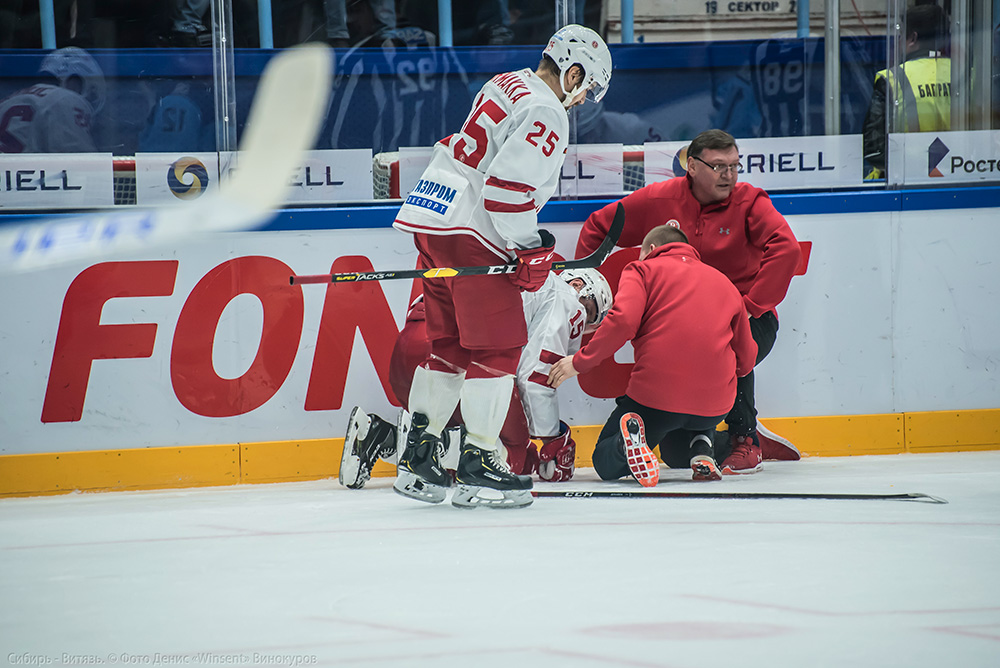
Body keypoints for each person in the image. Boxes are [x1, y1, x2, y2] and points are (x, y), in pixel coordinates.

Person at [389, 24, 612, 509]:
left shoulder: (507, 82)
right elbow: (505, 193)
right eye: (586, 86)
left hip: (434, 219)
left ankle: (419, 458)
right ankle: (479, 464)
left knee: (447, 346)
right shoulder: (548, 110)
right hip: (473, 233)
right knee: (501, 348)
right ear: (573, 72)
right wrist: (533, 248)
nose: (582, 99)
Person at [575, 129, 801, 475]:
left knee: (728, 346)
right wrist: (589, 294)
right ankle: (702, 443)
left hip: (743, 318)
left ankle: (746, 439)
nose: (729, 175)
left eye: (734, 167)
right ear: (692, 167)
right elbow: (598, 227)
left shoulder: (750, 203)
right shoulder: (657, 200)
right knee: (676, 450)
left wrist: (750, 305)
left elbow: (786, 248)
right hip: (683, 323)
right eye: (718, 167)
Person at [340, 267, 613, 490]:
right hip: (461, 360)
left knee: (465, 422)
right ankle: (425, 441)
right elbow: (534, 378)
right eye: (589, 312)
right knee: (514, 455)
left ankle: (380, 435)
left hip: (412, 358)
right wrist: (553, 439)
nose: (583, 324)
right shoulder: (564, 295)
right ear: (577, 284)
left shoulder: (513, 272)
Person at [549, 225, 757, 486]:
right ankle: (702, 446)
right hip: (715, 406)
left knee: (604, 458)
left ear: (650, 250)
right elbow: (747, 358)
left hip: (657, 399)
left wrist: (579, 362)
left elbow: (623, 321)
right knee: (676, 453)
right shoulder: (723, 282)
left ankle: (626, 448)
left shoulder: (641, 269)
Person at [862, 3, 951, 180]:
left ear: (912, 39)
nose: (899, 41)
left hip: (905, 179)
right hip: (961, 174)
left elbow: (873, 148)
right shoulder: (967, 75)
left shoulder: (892, 78)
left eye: (901, 35)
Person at [0, 46, 104, 153]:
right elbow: (79, 162)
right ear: (75, 80)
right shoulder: (66, 100)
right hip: (25, 168)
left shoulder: (7, 101)